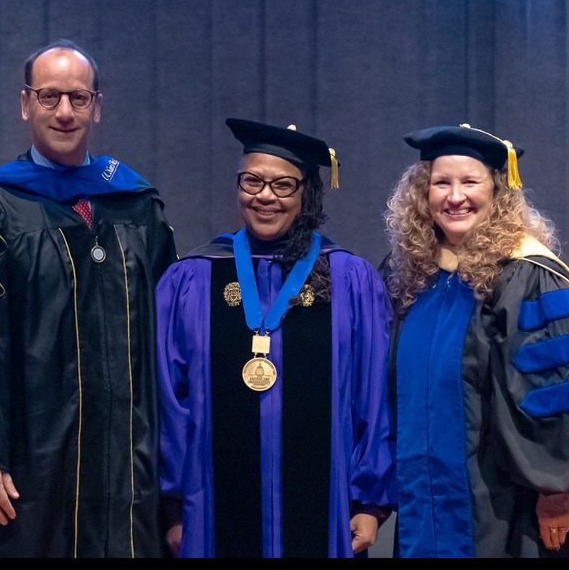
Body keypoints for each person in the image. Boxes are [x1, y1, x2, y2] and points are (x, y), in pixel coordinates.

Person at [0, 38, 177, 557]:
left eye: (78, 98)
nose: (64, 111)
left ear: (97, 106)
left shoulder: (136, 205)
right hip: (26, 463)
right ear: (25, 103)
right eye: (49, 96)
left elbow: (168, 339)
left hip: (125, 464)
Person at [156, 118, 395, 558]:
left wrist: (371, 502)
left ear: (308, 193)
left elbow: (373, 396)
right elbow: (171, 401)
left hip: (327, 513)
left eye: (284, 185)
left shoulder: (349, 279)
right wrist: (171, 507)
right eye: (253, 181)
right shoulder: (192, 278)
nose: (265, 196)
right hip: (210, 512)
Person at [381, 124, 569, 558]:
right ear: (423, 194)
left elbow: (560, 391)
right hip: (427, 498)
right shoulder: (412, 277)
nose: (455, 196)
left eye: (470, 182)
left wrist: (554, 493)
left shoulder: (527, 275)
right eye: (441, 183)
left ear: (497, 191)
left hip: (505, 502)